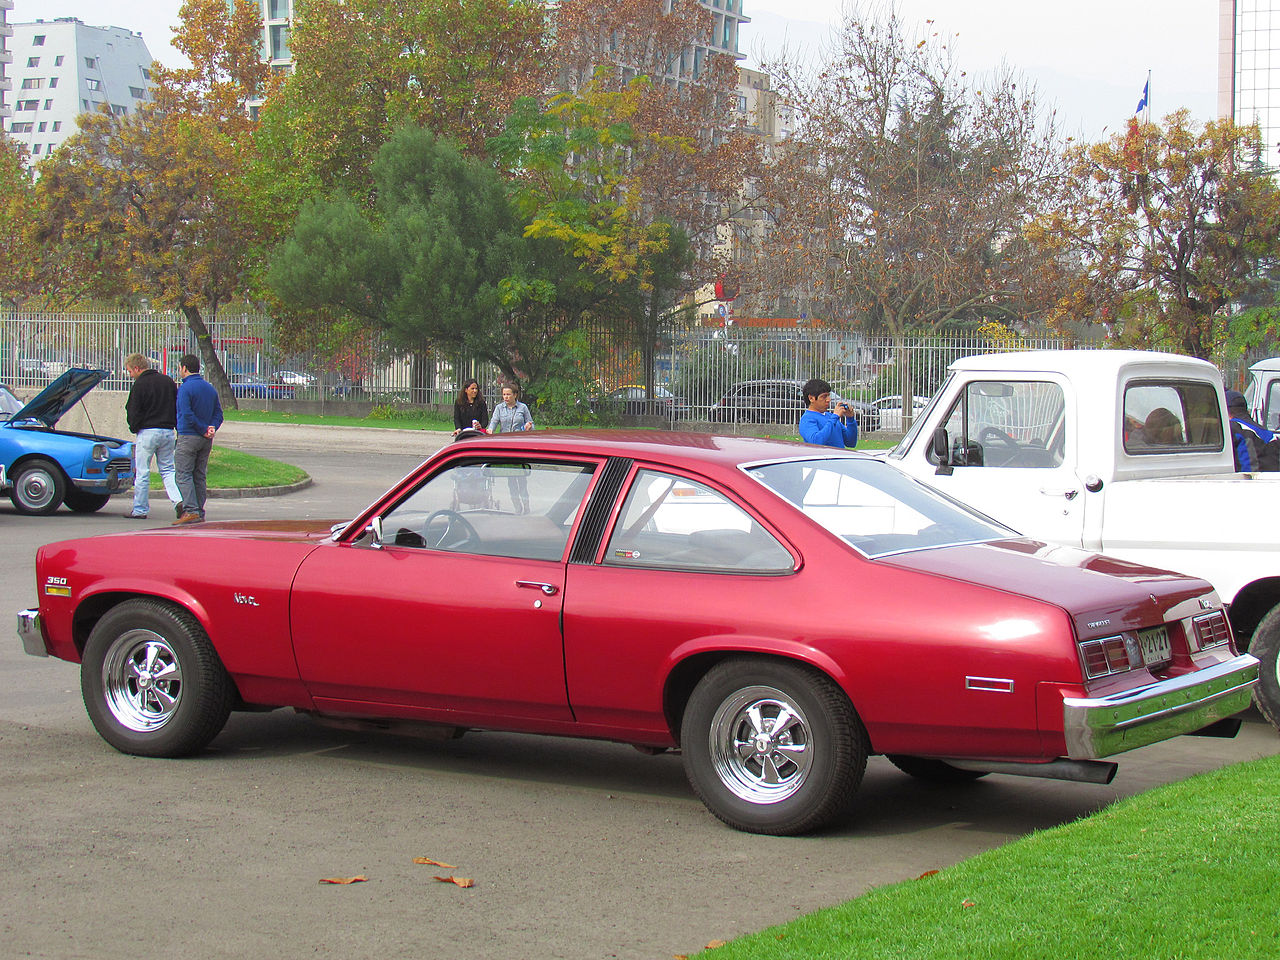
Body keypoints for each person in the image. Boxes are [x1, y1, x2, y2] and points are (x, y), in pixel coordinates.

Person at [122, 353, 181, 519]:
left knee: (142, 472)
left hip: (147, 432)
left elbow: (133, 410)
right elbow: (176, 406)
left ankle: (140, 509)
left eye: (130, 371)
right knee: (168, 470)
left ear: (137, 368)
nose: (130, 375)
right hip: (168, 431)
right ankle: (178, 501)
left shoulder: (139, 385)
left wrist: (134, 427)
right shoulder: (168, 381)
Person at [173, 354, 224, 525]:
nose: (180, 371)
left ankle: (191, 510)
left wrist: (202, 428)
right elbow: (219, 413)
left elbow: (186, 414)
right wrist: (211, 427)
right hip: (205, 439)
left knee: (183, 474)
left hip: (189, 436)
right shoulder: (209, 388)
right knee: (199, 475)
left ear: (185, 368)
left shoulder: (185, 389)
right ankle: (199, 510)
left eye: (180, 368)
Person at [798, 377, 858, 449]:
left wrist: (850, 419)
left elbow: (851, 442)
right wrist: (834, 417)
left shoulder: (830, 416)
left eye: (828, 395)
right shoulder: (807, 419)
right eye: (824, 397)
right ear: (811, 398)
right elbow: (816, 442)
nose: (828, 400)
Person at [1226, 389, 1278, 471]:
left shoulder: (1234, 429)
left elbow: (1248, 468)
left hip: (1252, 481)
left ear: (1225, 410)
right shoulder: (1268, 433)